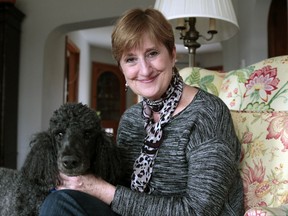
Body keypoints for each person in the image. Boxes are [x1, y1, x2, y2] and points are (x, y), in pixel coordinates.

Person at [40, 8, 244, 216]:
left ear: (172, 54)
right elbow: (121, 187)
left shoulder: (208, 113)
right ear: (121, 68)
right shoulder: (130, 119)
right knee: (59, 201)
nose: (145, 70)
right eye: (130, 59)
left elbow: (199, 212)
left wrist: (98, 188)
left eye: (152, 53)